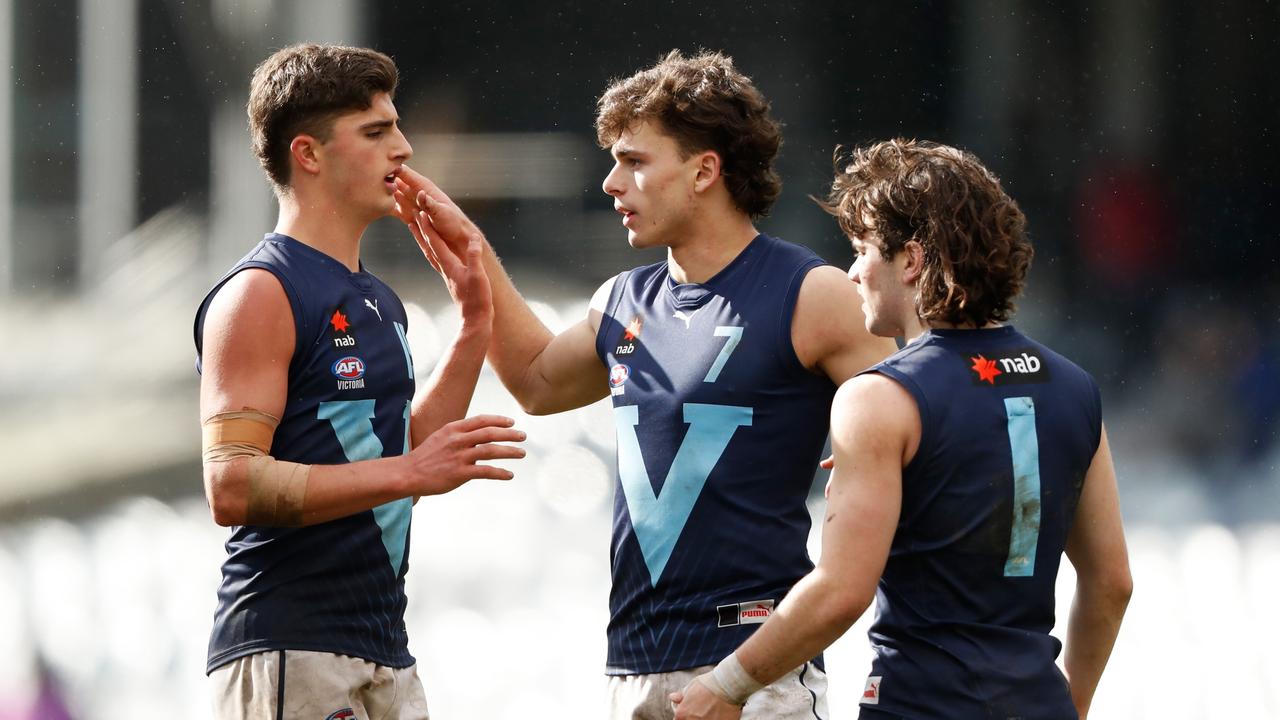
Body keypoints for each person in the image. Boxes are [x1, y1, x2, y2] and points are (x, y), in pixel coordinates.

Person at [392, 50, 896, 719]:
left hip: (755, 671)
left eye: (634, 161)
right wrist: (474, 264)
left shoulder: (812, 294)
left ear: (704, 172)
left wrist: (876, 447)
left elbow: (923, 417)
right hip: (633, 670)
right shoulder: (622, 300)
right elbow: (538, 383)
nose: (611, 182)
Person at [671, 139, 1134, 720]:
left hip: (921, 704)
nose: (852, 271)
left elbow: (841, 591)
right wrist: (1069, 704)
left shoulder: (880, 397)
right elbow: (1112, 581)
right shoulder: (1073, 386)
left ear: (911, 261)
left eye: (862, 249)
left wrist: (726, 684)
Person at [193, 43, 525, 720]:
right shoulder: (261, 292)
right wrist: (411, 472)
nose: (403, 149)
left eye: (397, 128)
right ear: (309, 154)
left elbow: (397, 460)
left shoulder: (379, 298)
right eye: (376, 133)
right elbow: (231, 483)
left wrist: (474, 325)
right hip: (291, 646)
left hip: (382, 646)